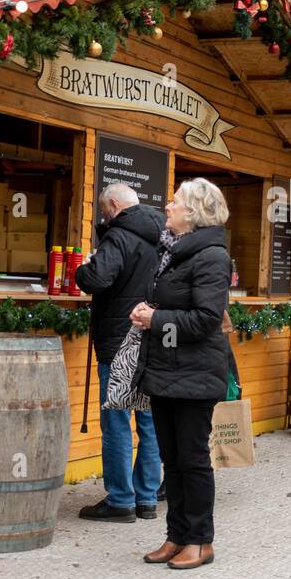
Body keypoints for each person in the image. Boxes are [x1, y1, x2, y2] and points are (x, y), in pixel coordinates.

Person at [130, 178, 232, 570]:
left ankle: (200, 540)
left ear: (193, 212)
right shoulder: (171, 251)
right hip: (166, 369)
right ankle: (176, 537)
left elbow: (206, 319)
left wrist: (157, 319)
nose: (166, 206)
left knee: (192, 460)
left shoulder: (211, 256)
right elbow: (172, 306)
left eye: (174, 202)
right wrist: (146, 313)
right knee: (170, 461)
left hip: (194, 374)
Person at [75, 183, 165, 523]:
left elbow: (98, 278)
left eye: (103, 211)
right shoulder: (163, 235)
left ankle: (121, 500)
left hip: (119, 341)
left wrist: (83, 268)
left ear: (114, 204)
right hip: (152, 336)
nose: (103, 217)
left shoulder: (118, 235)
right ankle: (147, 499)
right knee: (148, 421)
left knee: (116, 421)